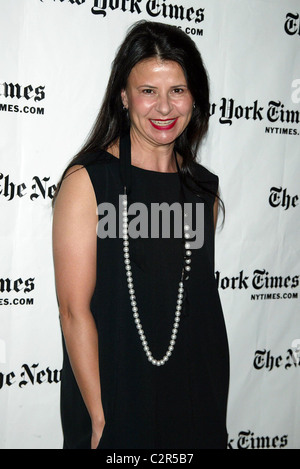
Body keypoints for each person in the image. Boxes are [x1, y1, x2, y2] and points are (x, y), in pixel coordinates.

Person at [52, 20, 229, 450]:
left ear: (195, 98)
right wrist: (99, 417)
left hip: (196, 395)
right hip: (116, 396)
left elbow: (195, 303)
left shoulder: (202, 186)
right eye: (148, 90)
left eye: (178, 90)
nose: (164, 107)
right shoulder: (89, 181)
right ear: (124, 96)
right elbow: (74, 312)